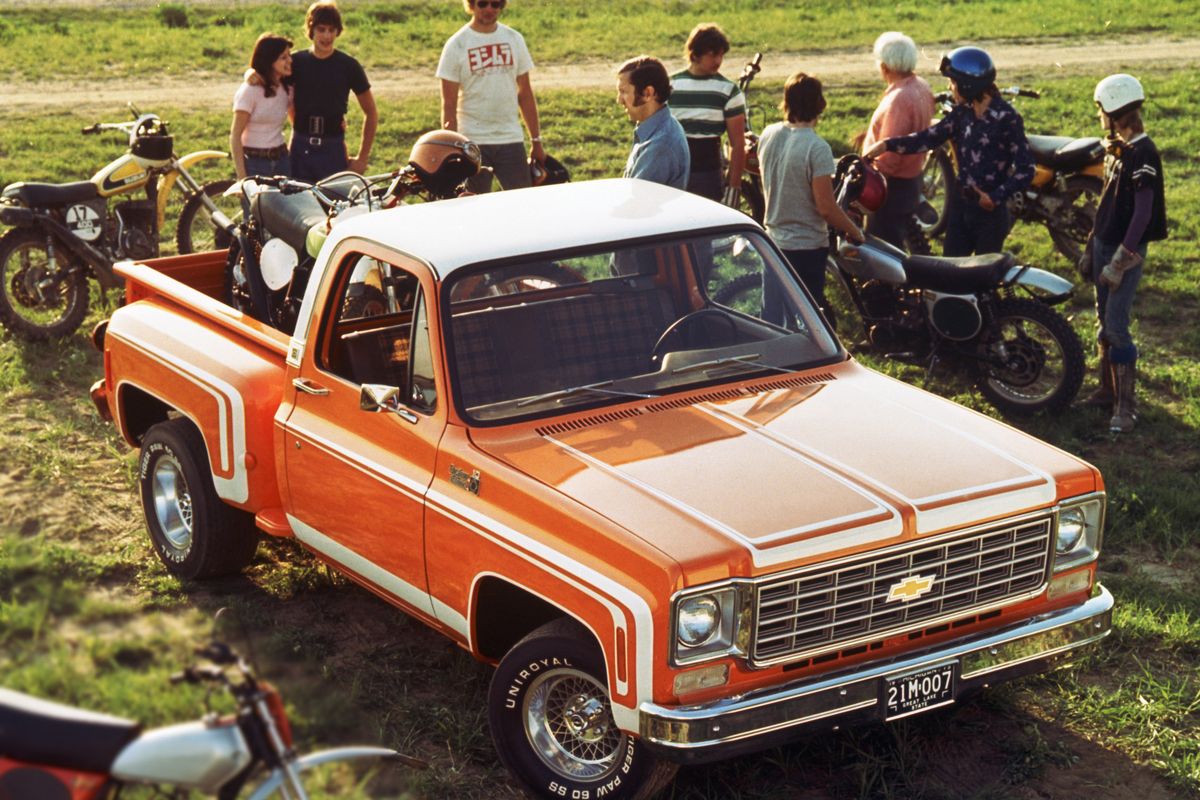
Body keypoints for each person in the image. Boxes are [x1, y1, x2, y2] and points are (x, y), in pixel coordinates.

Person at [865, 46, 1033, 256]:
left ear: (967, 85)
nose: (950, 87)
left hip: (989, 216)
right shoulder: (962, 113)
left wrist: (995, 197)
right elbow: (929, 137)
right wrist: (887, 145)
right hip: (960, 208)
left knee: (982, 280)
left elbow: (1026, 169)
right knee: (951, 275)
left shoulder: (1008, 118)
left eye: (953, 82)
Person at [1082, 73, 1167, 433]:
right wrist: (1091, 244)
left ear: (1114, 110)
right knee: (1104, 322)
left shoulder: (1143, 153)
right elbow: (1106, 203)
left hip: (1123, 252)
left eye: (1101, 109)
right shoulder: (1117, 148)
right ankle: (1106, 389)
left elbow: (1144, 212)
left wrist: (1121, 258)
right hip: (1103, 243)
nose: (1100, 115)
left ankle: (1126, 407)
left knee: (1117, 326)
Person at [758, 72, 863, 318]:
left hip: (773, 242)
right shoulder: (817, 148)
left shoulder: (769, 134)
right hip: (806, 247)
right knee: (806, 319)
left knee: (772, 318)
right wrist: (854, 230)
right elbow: (826, 207)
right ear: (819, 105)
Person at [437, 0, 544, 193]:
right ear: (471, 5)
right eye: (483, 3)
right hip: (472, 142)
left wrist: (536, 140)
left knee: (523, 204)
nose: (489, 9)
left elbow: (525, 94)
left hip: (510, 138)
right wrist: (451, 149)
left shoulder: (514, 39)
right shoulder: (457, 44)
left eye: (495, 4)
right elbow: (449, 103)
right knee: (472, 206)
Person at [860, 31, 935, 247]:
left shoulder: (898, 100)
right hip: (912, 179)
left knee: (883, 247)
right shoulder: (921, 86)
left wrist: (868, 182)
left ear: (885, 66)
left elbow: (889, 155)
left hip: (891, 188)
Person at [289, 1, 377, 181]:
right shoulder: (296, 62)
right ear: (311, 30)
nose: (327, 36)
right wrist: (250, 74)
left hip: (333, 147)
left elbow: (371, 112)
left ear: (338, 31)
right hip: (300, 146)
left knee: (333, 204)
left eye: (332, 30)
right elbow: (266, 74)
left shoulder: (348, 65)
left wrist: (362, 158)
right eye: (321, 29)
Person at [669, 23, 746, 205]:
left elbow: (738, 143)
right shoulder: (670, 86)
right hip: (673, 170)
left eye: (721, 55)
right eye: (712, 54)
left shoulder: (728, 90)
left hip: (708, 173)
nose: (718, 61)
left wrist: (733, 187)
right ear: (694, 54)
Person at [617, 56, 690, 190]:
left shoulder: (660, 146)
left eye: (623, 92)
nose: (619, 100)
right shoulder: (658, 127)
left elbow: (637, 203)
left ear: (647, 93)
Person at [230, 34, 294, 181]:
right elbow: (235, 136)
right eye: (283, 57)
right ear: (269, 61)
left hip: (282, 161)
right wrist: (241, 178)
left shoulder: (287, 88)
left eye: (289, 55)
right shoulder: (250, 90)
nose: (290, 60)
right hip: (254, 163)